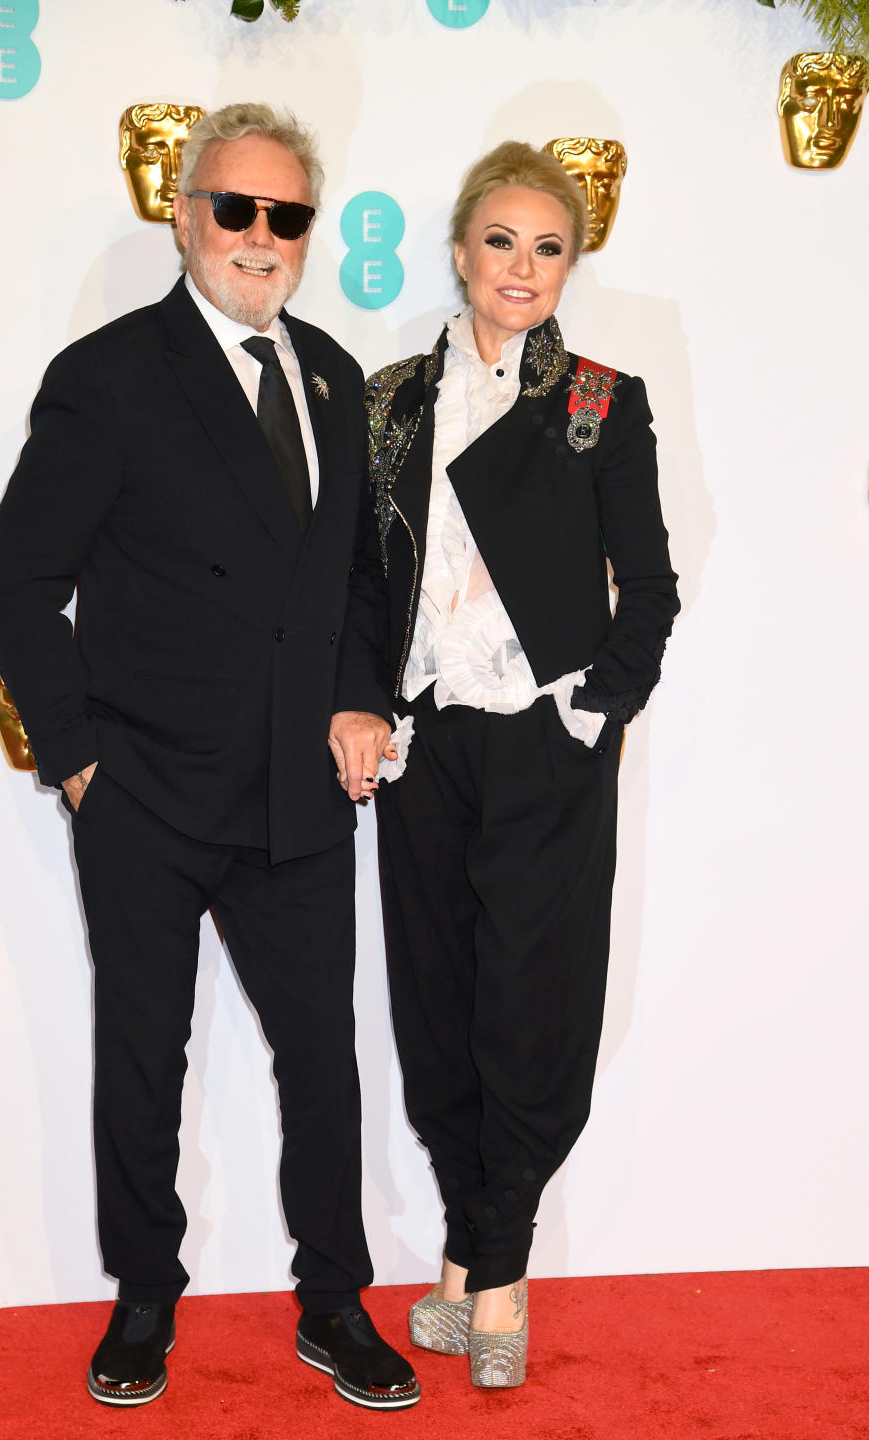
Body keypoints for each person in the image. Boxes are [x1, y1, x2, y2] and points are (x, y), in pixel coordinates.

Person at [0, 102, 418, 1412]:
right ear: (182, 215)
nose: (262, 238)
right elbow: (19, 571)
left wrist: (361, 700)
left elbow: (359, 577)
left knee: (324, 1062)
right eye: (237, 208)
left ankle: (335, 1304)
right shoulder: (110, 375)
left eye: (288, 216)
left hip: (298, 791)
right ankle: (142, 1303)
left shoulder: (336, 378)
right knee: (140, 1054)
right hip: (149, 793)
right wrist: (75, 756)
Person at [365, 140, 679, 1388]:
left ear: (570, 266)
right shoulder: (387, 397)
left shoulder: (602, 397)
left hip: (544, 742)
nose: (523, 267)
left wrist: (589, 712)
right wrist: (365, 708)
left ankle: (497, 1275)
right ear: (459, 251)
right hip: (424, 741)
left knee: (533, 1016)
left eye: (550, 247)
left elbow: (649, 589)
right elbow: (357, 583)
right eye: (502, 241)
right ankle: (464, 1251)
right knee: (437, 1004)